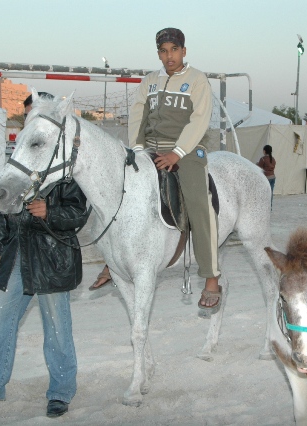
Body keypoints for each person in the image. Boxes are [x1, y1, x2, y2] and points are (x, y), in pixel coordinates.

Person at [0, 94, 90, 418]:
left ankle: (60, 392)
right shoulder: (20, 156)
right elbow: (4, 207)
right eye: (28, 114)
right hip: (17, 253)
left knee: (57, 328)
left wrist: (50, 211)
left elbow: (79, 214)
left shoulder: (67, 164)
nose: (32, 120)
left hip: (52, 257)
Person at [90, 28, 221, 310]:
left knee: (200, 204)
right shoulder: (150, 81)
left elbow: (199, 120)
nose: (169, 56)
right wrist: (137, 150)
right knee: (119, 194)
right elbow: (138, 115)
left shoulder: (197, 80)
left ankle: (211, 276)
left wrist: (177, 153)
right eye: (163, 51)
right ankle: (112, 262)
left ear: (184, 51)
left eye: (174, 50)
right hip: (148, 150)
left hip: (186, 152)